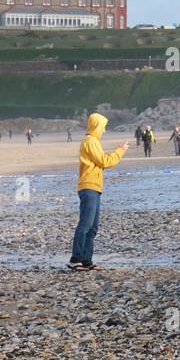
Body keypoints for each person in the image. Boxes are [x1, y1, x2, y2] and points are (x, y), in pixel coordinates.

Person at [70, 112, 130, 272]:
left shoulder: (94, 142)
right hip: (88, 187)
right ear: (97, 127)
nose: (104, 131)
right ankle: (75, 259)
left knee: (93, 226)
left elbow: (102, 160)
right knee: (86, 224)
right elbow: (104, 161)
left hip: (95, 187)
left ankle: (86, 260)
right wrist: (120, 150)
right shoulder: (90, 141)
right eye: (103, 127)